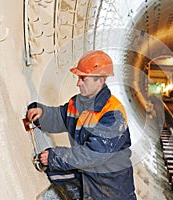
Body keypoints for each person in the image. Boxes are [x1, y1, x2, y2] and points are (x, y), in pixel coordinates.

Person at [26, 50, 137, 200]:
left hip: (110, 188)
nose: (78, 83)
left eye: (83, 78)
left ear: (100, 79)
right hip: (86, 177)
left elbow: (93, 155)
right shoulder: (77, 103)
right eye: (79, 78)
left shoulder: (113, 114)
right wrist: (43, 114)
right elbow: (60, 117)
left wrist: (55, 157)